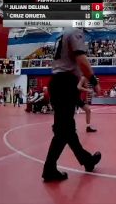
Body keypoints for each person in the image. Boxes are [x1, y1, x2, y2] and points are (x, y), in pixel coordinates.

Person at [42, 28, 101, 182]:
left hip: (57, 82)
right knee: (64, 131)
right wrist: (94, 82)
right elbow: (81, 59)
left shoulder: (62, 34)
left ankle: (87, 161)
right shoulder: (75, 32)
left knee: (66, 129)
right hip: (65, 83)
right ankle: (49, 169)